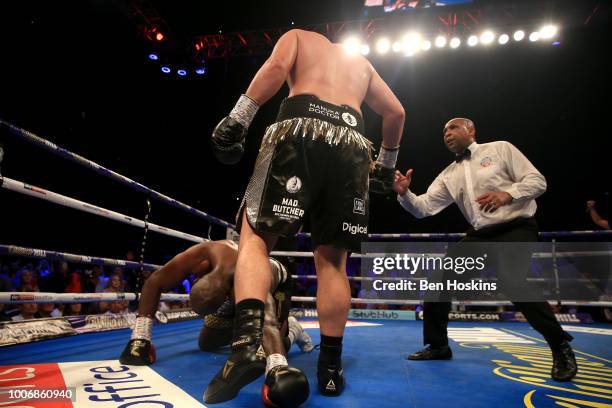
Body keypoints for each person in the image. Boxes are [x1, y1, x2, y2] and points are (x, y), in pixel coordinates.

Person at [209, 28, 405, 401]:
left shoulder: (299, 37)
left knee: (254, 240)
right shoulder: (362, 65)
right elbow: (396, 111)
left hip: (300, 129)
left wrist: (238, 119)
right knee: (333, 263)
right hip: (353, 144)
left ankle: (247, 346)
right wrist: (385, 164)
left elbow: (276, 65)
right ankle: (330, 368)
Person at [393, 117, 577, 382]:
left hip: (516, 227)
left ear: (471, 130)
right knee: (438, 282)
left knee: (512, 282)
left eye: (453, 127)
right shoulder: (449, 174)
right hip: (480, 236)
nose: (447, 133)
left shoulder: (500, 149)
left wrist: (507, 194)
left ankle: (560, 346)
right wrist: (404, 194)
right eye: (443, 130)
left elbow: (538, 181)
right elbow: (424, 208)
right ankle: (438, 345)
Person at [118, 240, 312, 407]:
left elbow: (267, 323)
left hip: (273, 278)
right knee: (206, 343)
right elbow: (155, 281)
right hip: (230, 287)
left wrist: (277, 368)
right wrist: (140, 337)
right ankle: (241, 329)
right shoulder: (201, 254)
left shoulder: (250, 279)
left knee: (267, 348)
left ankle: (293, 329)